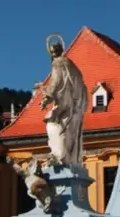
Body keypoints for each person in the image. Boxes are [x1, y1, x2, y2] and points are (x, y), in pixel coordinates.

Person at [37, 35, 88, 165]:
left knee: (52, 125)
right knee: (70, 133)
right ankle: (70, 159)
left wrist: (46, 98)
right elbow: (82, 86)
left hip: (65, 104)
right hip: (75, 106)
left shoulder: (57, 63)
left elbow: (56, 82)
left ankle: (59, 157)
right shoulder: (72, 66)